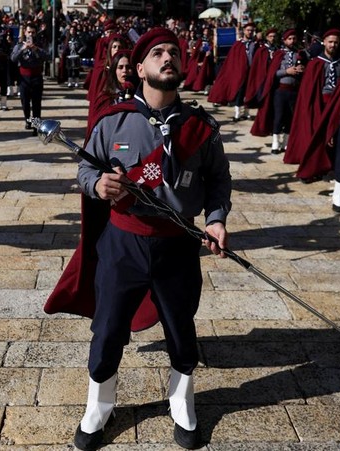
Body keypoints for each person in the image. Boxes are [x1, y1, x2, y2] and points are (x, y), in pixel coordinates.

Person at [61, 27, 231, 451]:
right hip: (124, 242)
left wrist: (215, 219)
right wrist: (97, 185)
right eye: (157, 53)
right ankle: (99, 403)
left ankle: (181, 397)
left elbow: (218, 180)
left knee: (180, 324)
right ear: (139, 69)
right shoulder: (113, 121)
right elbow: (86, 170)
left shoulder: (201, 127)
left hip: (178, 243)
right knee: (108, 325)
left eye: (174, 52)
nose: (168, 57)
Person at [283, 28, 340, 161]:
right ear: (324, 42)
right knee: (316, 133)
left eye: (335, 42)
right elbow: (308, 89)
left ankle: (330, 162)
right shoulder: (315, 63)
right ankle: (314, 161)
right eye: (330, 42)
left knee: (334, 134)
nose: (332, 45)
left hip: (336, 105)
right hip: (319, 103)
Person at [206, 21, 256, 121]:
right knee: (240, 92)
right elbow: (232, 59)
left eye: (251, 30)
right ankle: (237, 113)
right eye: (248, 30)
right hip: (240, 72)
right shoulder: (238, 44)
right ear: (244, 31)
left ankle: (246, 112)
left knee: (249, 92)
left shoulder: (255, 44)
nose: (250, 32)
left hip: (251, 71)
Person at [11, 22, 48, 135]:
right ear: (25, 32)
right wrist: (23, 48)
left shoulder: (39, 44)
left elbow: (47, 56)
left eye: (33, 32)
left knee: (36, 103)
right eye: (28, 32)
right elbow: (13, 58)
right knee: (25, 102)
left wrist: (36, 49)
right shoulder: (19, 45)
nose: (30, 34)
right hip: (23, 78)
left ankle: (36, 126)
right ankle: (28, 119)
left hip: (36, 76)